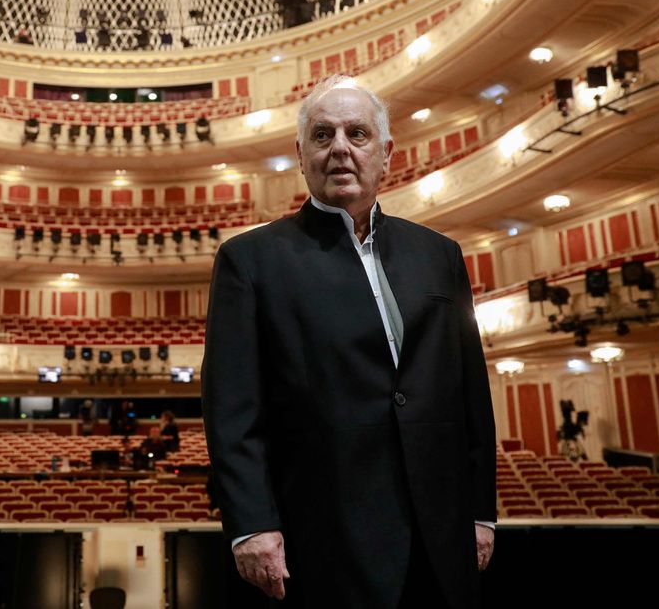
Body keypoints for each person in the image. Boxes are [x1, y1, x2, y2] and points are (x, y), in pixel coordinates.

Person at [202, 74, 496, 607]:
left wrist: (480, 511)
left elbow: (469, 392)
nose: (339, 147)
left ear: (386, 154)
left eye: (357, 133)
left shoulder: (440, 255)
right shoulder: (251, 261)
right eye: (323, 135)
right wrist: (251, 525)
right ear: (301, 154)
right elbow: (232, 409)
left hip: (440, 531)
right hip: (320, 535)